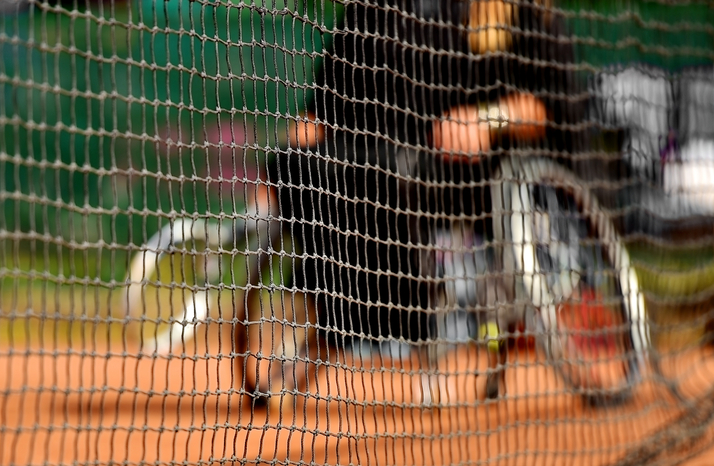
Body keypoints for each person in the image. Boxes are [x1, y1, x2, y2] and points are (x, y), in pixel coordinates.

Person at [249, 0, 586, 356]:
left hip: (464, 176)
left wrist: (487, 119)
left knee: (390, 173)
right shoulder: (372, 12)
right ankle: (338, 310)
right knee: (293, 166)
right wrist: (278, 177)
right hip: (364, 167)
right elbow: (319, 110)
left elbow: (548, 107)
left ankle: (402, 318)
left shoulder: (517, 13)